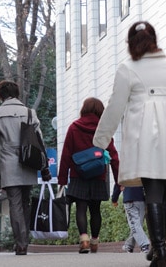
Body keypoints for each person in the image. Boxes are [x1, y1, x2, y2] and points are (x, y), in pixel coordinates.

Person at [93, 21, 166, 267]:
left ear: (130, 43)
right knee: (163, 188)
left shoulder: (127, 68)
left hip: (144, 133)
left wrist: (101, 139)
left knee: (152, 189)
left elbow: (114, 107)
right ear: (154, 39)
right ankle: (157, 246)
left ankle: (160, 250)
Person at [0, 80, 52, 255]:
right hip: (29, 160)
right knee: (25, 201)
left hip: (9, 161)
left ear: (0, 95)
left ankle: (21, 243)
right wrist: (43, 165)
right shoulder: (30, 112)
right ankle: (24, 240)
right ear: (17, 93)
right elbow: (40, 141)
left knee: (15, 203)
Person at [58, 97, 120, 253]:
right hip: (98, 175)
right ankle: (94, 242)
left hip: (78, 175)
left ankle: (84, 239)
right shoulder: (103, 129)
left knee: (81, 207)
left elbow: (66, 154)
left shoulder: (74, 127)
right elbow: (113, 155)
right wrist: (119, 179)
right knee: (95, 210)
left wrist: (62, 179)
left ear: (84, 109)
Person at [112, 185, 150, 254]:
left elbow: (118, 182)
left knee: (135, 225)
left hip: (130, 198)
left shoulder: (124, 173)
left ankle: (144, 245)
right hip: (141, 199)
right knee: (137, 225)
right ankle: (129, 246)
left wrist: (114, 199)